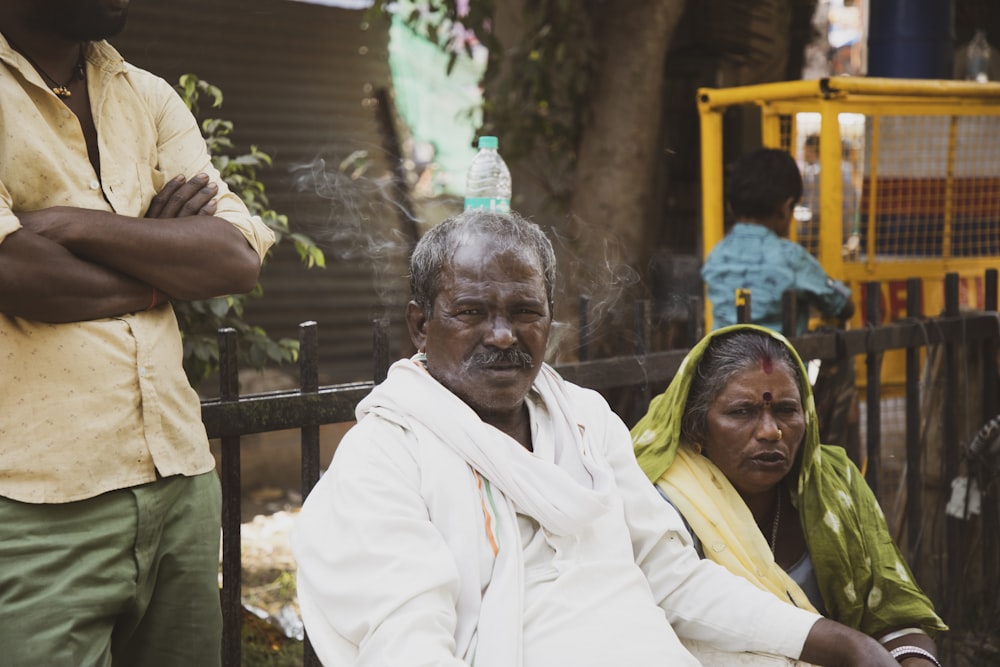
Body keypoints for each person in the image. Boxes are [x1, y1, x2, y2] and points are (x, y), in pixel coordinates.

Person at [293, 208, 904, 667]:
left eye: (525, 311)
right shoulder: (387, 453)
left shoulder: (584, 420)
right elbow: (410, 640)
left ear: (550, 319)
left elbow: (673, 578)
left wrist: (838, 642)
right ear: (420, 325)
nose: (504, 335)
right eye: (473, 312)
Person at [0, 1, 275, 664]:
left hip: (180, 480)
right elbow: (17, 270)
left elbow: (234, 254)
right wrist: (160, 259)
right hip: (35, 498)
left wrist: (71, 226)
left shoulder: (146, 95)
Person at [632, 325, 948, 667]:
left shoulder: (833, 485)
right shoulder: (664, 501)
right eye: (742, 412)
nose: (770, 431)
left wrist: (912, 661)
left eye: (785, 410)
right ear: (696, 425)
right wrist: (854, 650)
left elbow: (894, 616)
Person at [702, 147, 854, 336]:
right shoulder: (791, 258)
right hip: (775, 364)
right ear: (786, 207)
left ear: (730, 207)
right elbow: (842, 306)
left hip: (722, 363)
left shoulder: (717, 254)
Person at [799, 134, 859, 255]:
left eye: (805, 150)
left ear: (812, 150)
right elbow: (855, 200)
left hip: (826, 231)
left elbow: (815, 209)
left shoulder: (818, 173)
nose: (804, 155)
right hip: (846, 228)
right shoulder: (845, 168)